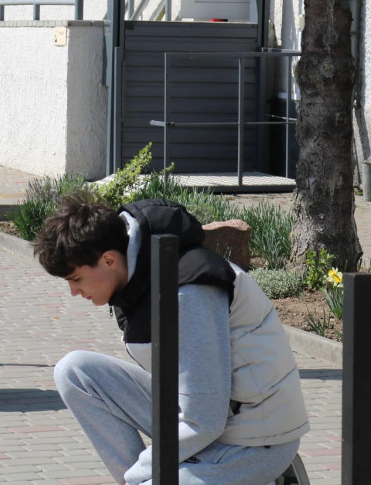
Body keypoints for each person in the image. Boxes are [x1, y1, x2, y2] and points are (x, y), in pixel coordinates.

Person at [35, 193, 309, 485]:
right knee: (75, 371)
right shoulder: (138, 277)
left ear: (109, 259)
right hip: (206, 416)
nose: (74, 293)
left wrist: (141, 472)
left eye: (76, 279)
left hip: (253, 439)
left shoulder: (189, 292)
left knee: (146, 479)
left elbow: (203, 421)